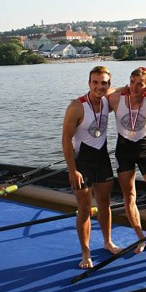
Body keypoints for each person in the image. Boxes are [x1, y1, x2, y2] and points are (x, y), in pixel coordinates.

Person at [61, 65, 121, 268]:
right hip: (82, 163)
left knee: (105, 203)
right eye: (95, 82)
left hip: (102, 160)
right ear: (89, 83)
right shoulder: (76, 106)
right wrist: (72, 170)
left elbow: (128, 89)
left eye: (103, 83)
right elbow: (66, 140)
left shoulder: (107, 101)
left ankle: (107, 242)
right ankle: (85, 253)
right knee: (85, 209)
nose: (99, 87)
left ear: (108, 85)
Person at [108, 67, 146, 253]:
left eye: (140, 84)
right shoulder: (116, 99)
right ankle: (140, 236)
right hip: (124, 152)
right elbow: (105, 91)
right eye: (132, 82)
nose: (134, 87)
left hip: (145, 151)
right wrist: (123, 88)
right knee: (130, 196)